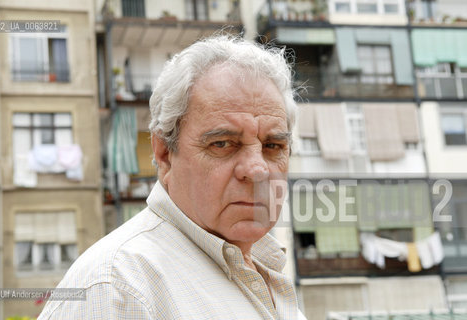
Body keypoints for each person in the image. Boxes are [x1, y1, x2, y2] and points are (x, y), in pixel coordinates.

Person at [39, 35, 307, 320]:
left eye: (273, 146)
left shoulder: (263, 263)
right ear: (165, 154)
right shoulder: (117, 289)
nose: (257, 170)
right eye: (223, 144)